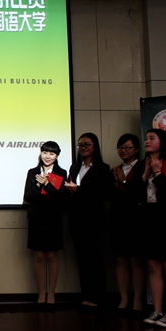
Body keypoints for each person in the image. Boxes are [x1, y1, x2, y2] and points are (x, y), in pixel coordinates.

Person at [64, 132, 111, 309]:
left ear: (95, 146)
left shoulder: (103, 168)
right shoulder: (75, 167)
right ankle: (86, 295)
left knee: (95, 259)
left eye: (87, 145)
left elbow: (102, 193)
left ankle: (98, 297)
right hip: (77, 219)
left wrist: (78, 190)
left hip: (94, 219)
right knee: (82, 259)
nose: (83, 148)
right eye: (80, 145)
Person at [23, 141, 67, 310]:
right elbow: (28, 196)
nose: (48, 156)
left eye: (52, 153)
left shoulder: (62, 173)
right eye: (45, 152)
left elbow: (60, 197)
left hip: (53, 218)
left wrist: (47, 184)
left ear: (57, 156)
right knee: (39, 256)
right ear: (40, 153)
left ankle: (52, 293)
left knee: (52, 256)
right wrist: (39, 184)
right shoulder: (32, 172)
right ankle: (41, 293)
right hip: (36, 218)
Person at [141, 129, 166, 328]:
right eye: (146, 138)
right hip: (150, 218)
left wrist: (157, 173)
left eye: (151, 138)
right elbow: (137, 195)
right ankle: (157, 310)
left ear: (162, 141)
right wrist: (146, 175)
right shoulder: (145, 163)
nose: (147, 141)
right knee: (153, 265)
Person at [108, 133, 145, 314]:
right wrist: (116, 185)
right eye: (120, 148)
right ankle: (123, 298)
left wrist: (123, 181)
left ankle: (138, 299)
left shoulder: (143, 167)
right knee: (120, 259)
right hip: (118, 218)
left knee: (136, 260)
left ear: (136, 149)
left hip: (136, 219)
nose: (123, 151)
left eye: (127, 147)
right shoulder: (115, 169)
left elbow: (139, 193)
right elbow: (109, 195)